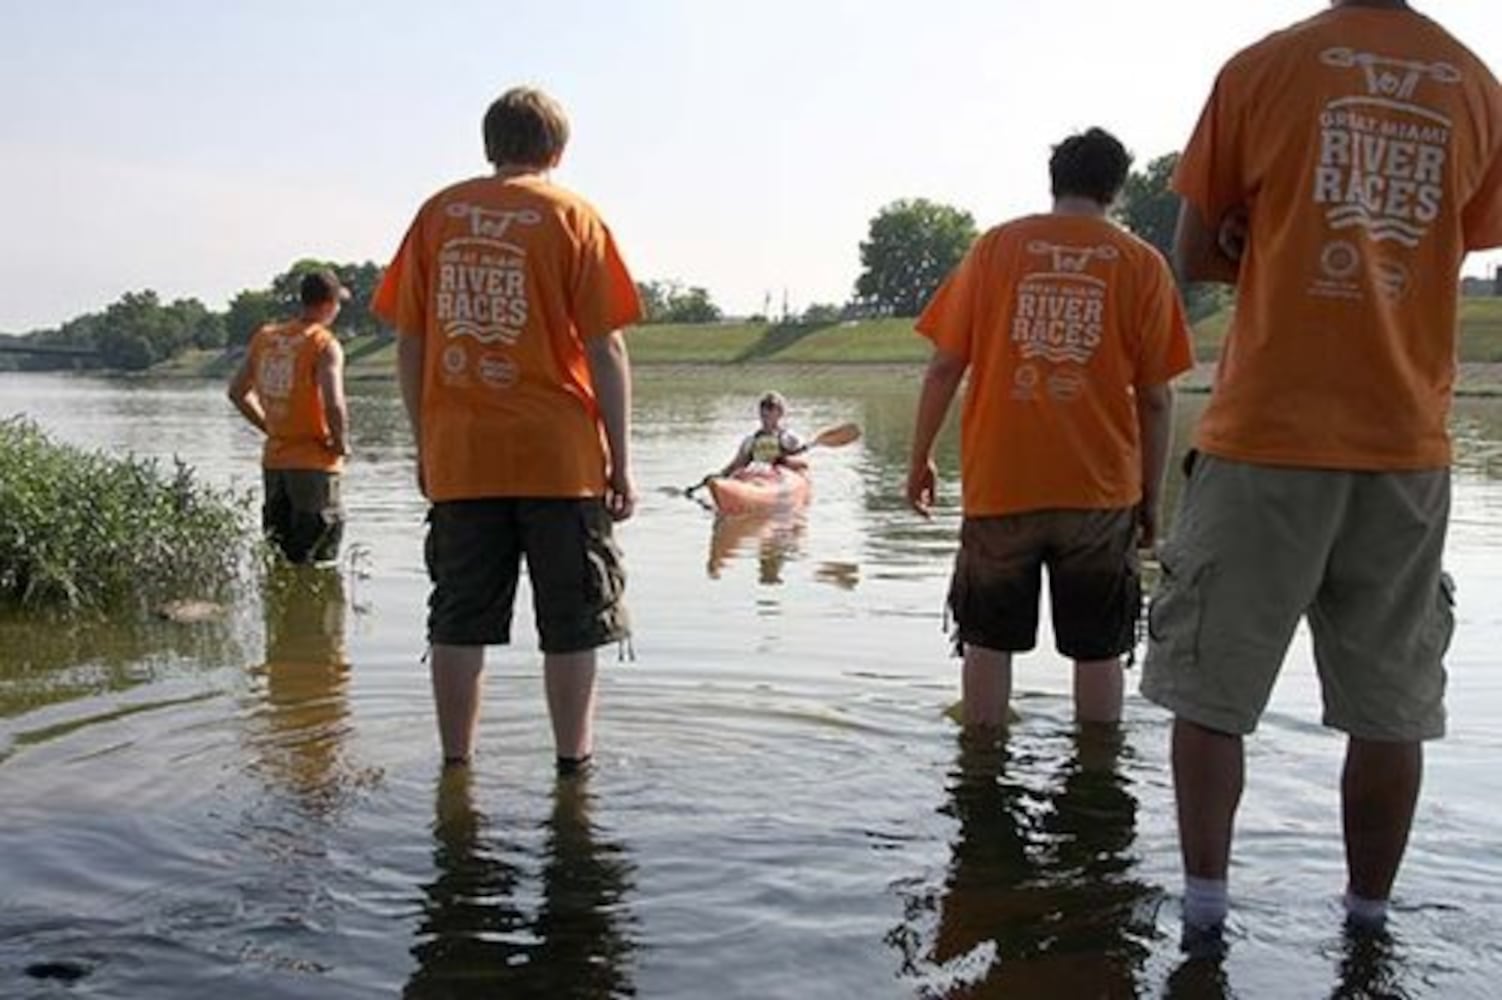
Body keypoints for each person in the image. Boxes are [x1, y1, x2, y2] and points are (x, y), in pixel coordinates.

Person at [1141, 0, 1502, 951]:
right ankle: (1368, 924)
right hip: (1406, 445)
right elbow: (1456, 241)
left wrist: (1271, 239)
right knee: (1392, 706)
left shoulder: (1262, 69)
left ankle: (1206, 916)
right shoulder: (1476, 84)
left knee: (1211, 692)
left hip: (1266, 434)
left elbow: (1193, 247)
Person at [372, 86, 641, 774]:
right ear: (558, 148)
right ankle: (572, 765)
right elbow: (605, 348)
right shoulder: (574, 216)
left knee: (458, 617)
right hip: (561, 458)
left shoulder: (437, 215)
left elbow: (410, 343)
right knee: (572, 622)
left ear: (489, 144)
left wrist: (424, 441)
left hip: (463, 456)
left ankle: (456, 765)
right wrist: (622, 462)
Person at [906, 127, 1194, 729]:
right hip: (1099, 492)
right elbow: (1158, 400)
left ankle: (981, 779)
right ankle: (1098, 782)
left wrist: (919, 461)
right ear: (1116, 187)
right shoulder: (1142, 264)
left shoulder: (994, 250)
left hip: (1001, 485)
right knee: (1099, 650)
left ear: (1054, 181)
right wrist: (1149, 499)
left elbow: (943, 367)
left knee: (986, 642)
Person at [228, 269, 350, 565]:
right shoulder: (324, 343)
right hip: (315, 463)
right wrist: (341, 443)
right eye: (338, 303)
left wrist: (270, 427)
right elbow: (334, 403)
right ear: (329, 304)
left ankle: (280, 611)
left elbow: (237, 392)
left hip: (275, 462)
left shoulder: (266, 338)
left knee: (280, 556)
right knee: (318, 562)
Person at [718, 391, 809, 477]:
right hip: (759, 479)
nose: (765, 412)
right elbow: (737, 464)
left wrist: (783, 461)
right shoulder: (751, 441)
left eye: (770, 408)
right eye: (763, 407)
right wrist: (718, 476)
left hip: (781, 478)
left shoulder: (789, 438)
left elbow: (803, 464)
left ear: (780, 412)